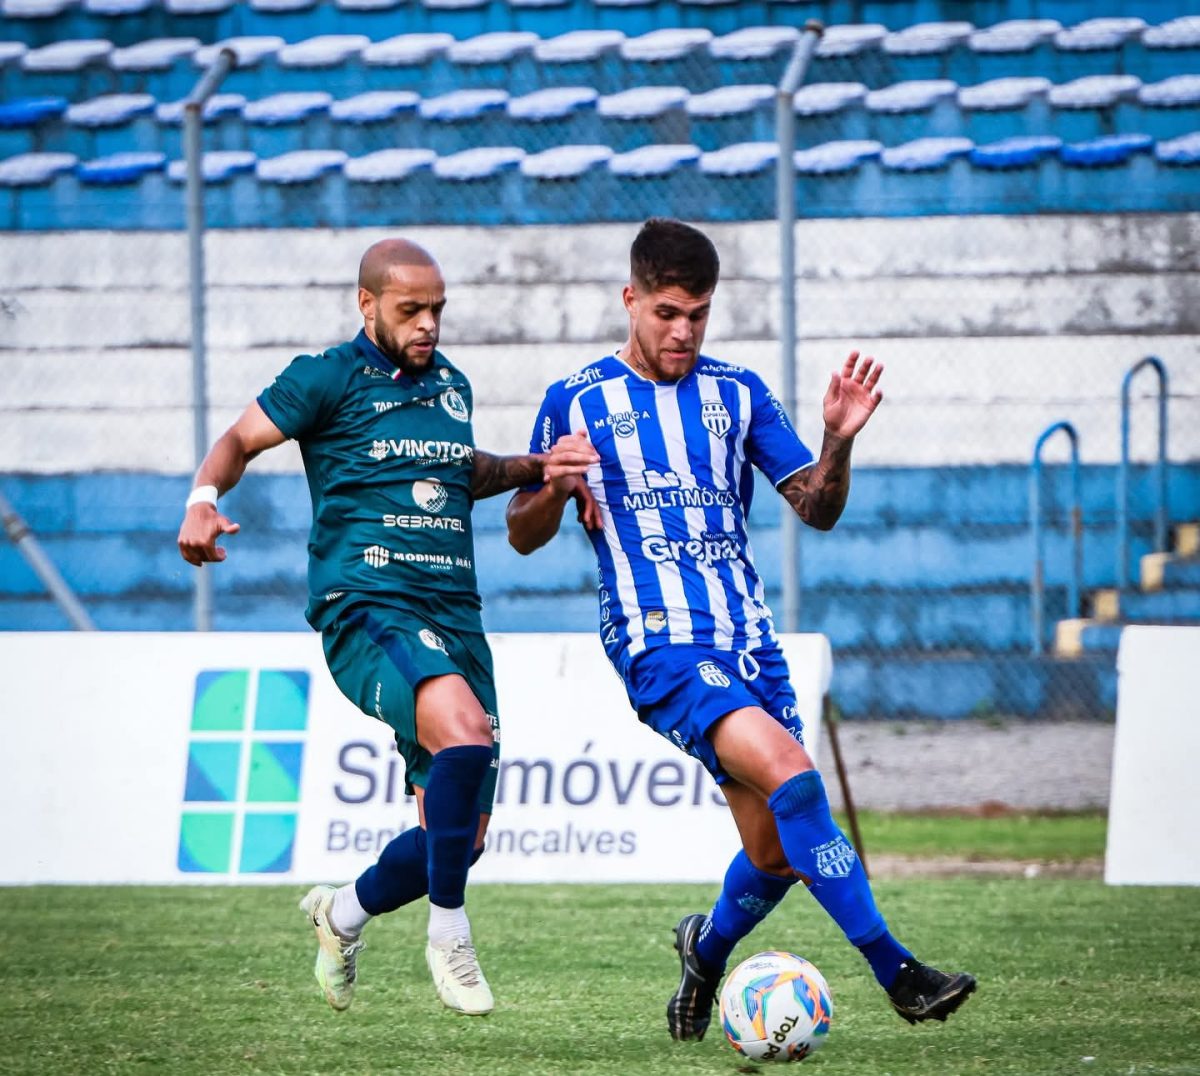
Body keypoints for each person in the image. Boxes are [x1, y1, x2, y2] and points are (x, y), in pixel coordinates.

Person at [506, 218, 976, 1039]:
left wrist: (837, 440)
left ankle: (705, 952)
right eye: (666, 313)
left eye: (698, 313)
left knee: (773, 854)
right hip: (658, 641)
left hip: (748, 642)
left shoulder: (739, 393)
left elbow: (816, 508)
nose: (683, 330)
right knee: (794, 777)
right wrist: (553, 486)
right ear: (632, 300)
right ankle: (898, 972)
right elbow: (521, 529)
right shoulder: (575, 399)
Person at [178, 238, 588, 1018]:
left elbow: (457, 472)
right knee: (465, 736)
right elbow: (237, 440)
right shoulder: (326, 378)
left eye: (437, 309)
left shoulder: (453, 387)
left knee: (459, 839)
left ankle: (341, 916)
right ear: (367, 305)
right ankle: (450, 937)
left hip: (454, 613)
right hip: (367, 603)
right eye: (410, 310)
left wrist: (540, 468)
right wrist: (201, 497)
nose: (428, 323)